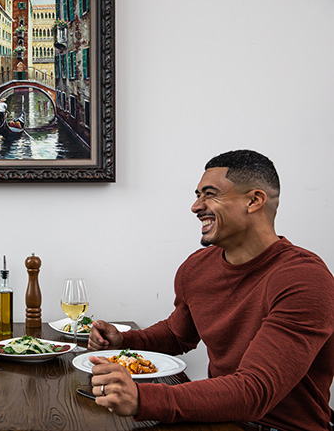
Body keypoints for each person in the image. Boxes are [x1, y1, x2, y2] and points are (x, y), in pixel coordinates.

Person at [88, 149, 334, 430]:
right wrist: (122, 339)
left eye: (210, 194)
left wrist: (143, 399)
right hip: (218, 419)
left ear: (254, 201)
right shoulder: (197, 267)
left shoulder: (304, 279)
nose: (196, 207)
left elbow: (255, 391)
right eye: (197, 195)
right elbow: (177, 335)